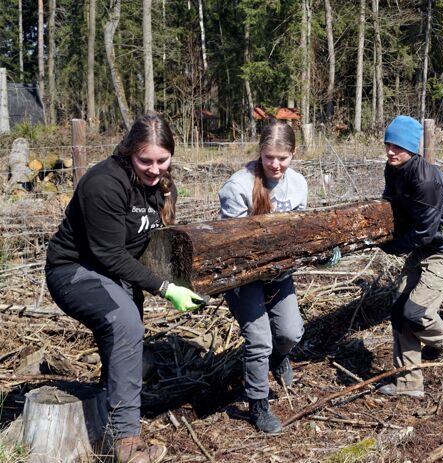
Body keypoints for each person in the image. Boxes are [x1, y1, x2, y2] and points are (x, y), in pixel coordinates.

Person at [45, 113, 206, 463]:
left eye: (162, 161)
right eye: (145, 160)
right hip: (74, 271)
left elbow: (149, 246)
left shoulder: (163, 187)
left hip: (117, 274)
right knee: (125, 325)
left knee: (131, 345)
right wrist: (166, 289)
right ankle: (127, 444)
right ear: (129, 151)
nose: (154, 169)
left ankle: (105, 416)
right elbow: (109, 254)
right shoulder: (103, 184)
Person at [218, 122, 310, 434]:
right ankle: (258, 406)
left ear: (293, 154)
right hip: (243, 276)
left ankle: (278, 358)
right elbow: (228, 244)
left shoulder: (298, 184)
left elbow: (300, 232)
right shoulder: (239, 186)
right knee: (259, 340)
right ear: (260, 153)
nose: (275, 164)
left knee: (290, 334)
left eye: (282, 158)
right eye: (269, 157)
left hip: (280, 272)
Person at [378, 115, 443, 398]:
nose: (390, 152)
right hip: (427, 242)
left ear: (412, 148)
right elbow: (390, 203)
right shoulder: (393, 169)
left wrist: (391, 246)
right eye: (388, 145)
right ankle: (409, 383)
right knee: (399, 308)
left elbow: (423, 232)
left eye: (397, 147)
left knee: (415, 311)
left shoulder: (425, 178)